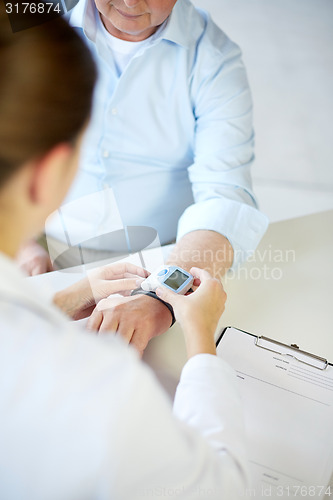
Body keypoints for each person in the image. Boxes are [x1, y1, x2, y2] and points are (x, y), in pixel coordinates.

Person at [0, 7, 248, 499]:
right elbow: (223, 489)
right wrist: (202, 345)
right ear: (53, 174)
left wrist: (62, 297)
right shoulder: (100, 388)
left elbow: (225, 194)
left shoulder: (215, 60)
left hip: (138, 262)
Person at [17, 0, 269, 353]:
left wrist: (160, 299)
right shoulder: (29, 16)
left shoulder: (215, 59)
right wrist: (17, 241)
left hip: (157, 262)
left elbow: (225, 195)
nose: (131, 2)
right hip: (36, 247)